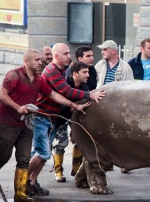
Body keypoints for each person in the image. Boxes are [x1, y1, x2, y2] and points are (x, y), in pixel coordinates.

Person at [0, 49, 91, 202]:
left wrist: (74, 105)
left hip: (27, 123)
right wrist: (18, 107)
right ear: (27, 62)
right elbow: (1, 94)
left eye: (40, 60)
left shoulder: (39, 79)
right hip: (7, 123)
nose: (40, 62)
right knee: (4, 155)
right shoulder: (14, 75)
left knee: (24, 160)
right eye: (37, 60)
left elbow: (53, 94)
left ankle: (21, 193)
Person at [27, 43, 105, 193]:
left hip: (51, 118)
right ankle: (22, 180)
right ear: (56, 56)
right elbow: (66, 91)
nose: (69, 56)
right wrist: (90, 95)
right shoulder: (52, 71)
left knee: (43, 154)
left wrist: (75, 106)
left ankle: (31, 182)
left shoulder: (61, 70)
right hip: (42, 118)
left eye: (69, 53)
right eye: (66, 54)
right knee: (43, 152)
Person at [52, 45, 98, 182]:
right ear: (75, 74)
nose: (88, 75)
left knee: (79, 142)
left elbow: (88, 94)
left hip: (76, 118)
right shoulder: (65, 81)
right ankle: (58, 171)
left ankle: (76, 169)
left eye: (88, 72)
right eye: (85, 72)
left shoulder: (85, 86)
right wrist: (72, 107)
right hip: (61, 117)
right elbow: (61, 100)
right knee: (61, 143)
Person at [94, 40, 134, 173]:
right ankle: (107, 162)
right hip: (101, 106)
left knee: (121, 136)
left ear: (113, 51)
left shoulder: (125, 67)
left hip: (118, 108)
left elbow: (130, 89)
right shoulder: (99, 65)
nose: (102, 52)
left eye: (105, 49)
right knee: (103, 136)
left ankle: (124, 163)